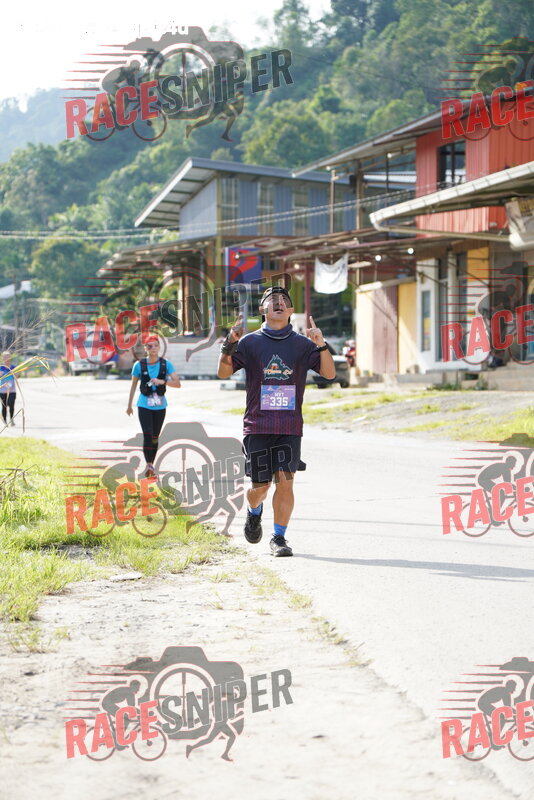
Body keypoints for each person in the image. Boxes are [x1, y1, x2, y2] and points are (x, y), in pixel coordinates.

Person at [217, 286, 336, 557]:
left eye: (284, 300)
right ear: (263, 309)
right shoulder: (249, 342)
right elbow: (223, 372)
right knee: (260, 488)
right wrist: (229, 343)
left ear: (291, 310)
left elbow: (329, 374)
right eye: (272, 300)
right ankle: (254, 511)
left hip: (289, 427)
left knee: (285, 481)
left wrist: (321, 344)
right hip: (257, 425)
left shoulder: (303, 344)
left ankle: (279, 538)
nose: (279, 303)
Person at [127, 337, 181, 478]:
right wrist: (129, 405)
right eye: (149, 346)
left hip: (160, 406)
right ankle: (149, 465)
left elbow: (177, 383)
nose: (153, 348)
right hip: (144, 405)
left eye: (155, 345)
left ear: (159, 347)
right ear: (145, 348)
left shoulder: (166, 364)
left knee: (155, 437)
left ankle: (152, 463)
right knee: (148, 434)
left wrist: (162, 381)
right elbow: (133, 386)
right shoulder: (139, 365)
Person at [0, 351, 16, 427]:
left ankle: (11, 419)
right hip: (2, 391)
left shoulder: (14, 367)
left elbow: (17, 376)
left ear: (10, 357)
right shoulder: (1, 368)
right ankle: (5, 421)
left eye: (8, 356)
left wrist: (15, 374)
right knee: (4, 406)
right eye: (5, 356)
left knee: (11, 405)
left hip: (12, 390)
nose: (6, 358)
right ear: (2, 358)